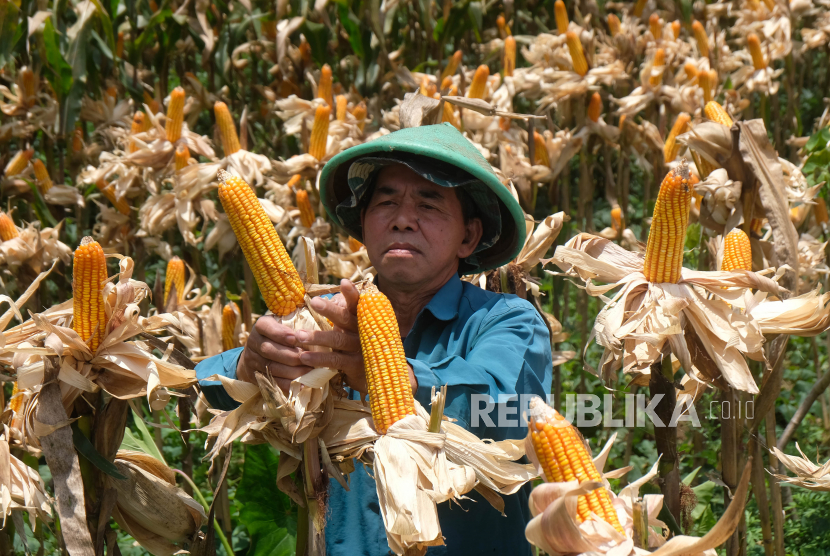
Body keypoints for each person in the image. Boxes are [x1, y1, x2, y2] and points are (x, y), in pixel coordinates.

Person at [196, 123, 553, 555]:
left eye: (429, 203)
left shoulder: (507, 320)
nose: (403, 219)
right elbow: (212, 387)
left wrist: (392, 378)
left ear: (468, 236)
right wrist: (248, 368)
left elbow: (506, 413)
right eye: (386, 202)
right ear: (363, 227)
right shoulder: (324, 320)